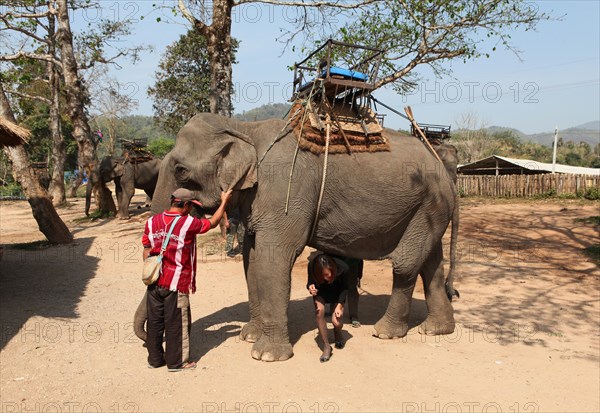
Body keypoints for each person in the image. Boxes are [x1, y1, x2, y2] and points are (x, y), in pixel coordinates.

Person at [142, 188, 232, 371]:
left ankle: (155, 360)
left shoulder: (151, 222)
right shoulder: (188, 223)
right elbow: (212, 223)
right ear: (184, 205)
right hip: (176, 283)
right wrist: (224, 201)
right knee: (177, 323)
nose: (191, 210)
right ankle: (177, 363)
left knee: (155, 322)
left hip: (154, 282)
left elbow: (146, 248)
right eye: (190, 206)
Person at [307, 252, 352, 362]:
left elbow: (345, 288)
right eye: (324, 275)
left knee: (336, 321)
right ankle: (326, 346)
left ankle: (337, 332)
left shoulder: (343, 268)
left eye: (329, 274)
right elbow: (310, 281)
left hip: (337, 292)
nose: (328, 277)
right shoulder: (312, 265)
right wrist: (310, 287)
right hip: (321, 291)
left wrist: (340, 305)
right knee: (319, 311)